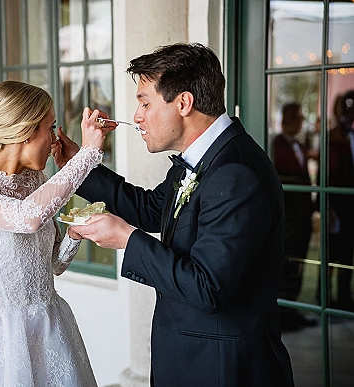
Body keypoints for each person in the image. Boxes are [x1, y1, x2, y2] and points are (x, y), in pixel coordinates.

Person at [54, 43, 295, 386]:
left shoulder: (236, 172)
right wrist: (80, 165)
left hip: (223, 368)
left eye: (144, 102)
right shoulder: (203, 157)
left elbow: (208, 286)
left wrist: (126, 239)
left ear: (183, 103)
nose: (137, 115)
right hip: (193, 359)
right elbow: (150, 209)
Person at [0, 80, 108, 386]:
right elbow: (25, 218)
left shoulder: (34, 179)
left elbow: (53, 264)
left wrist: (74, 234)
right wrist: (87, 155)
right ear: (26, 132)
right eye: (51, 126)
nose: (56, 136)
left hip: (49, 329)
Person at [272, 102, 317, 330]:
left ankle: (292, 311)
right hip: (288, 218)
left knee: (299, 264)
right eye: (297, 118)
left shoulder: (299, 145)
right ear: (286, 120)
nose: (301, 122)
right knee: (287, 265)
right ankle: (282, 314)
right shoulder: (276, 145)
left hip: (303, 217)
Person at [326, 89, 354, 311]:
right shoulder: (332, 136)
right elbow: (328, 175)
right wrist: (327, 207)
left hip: (351, 205)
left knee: (347, 254)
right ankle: (324, 296)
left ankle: (344, 297)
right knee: (331, 253)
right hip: (337, 204)